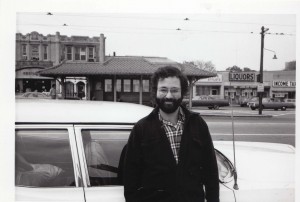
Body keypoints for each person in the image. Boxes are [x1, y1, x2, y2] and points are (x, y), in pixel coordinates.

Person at [123, 66, 219, 202]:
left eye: (174, 90)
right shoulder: (141, 129)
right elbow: (130, 180)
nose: (168, 95)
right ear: (155, 91)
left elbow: (211, 172)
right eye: (163, 90)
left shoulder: (198, 124)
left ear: (182, 93)